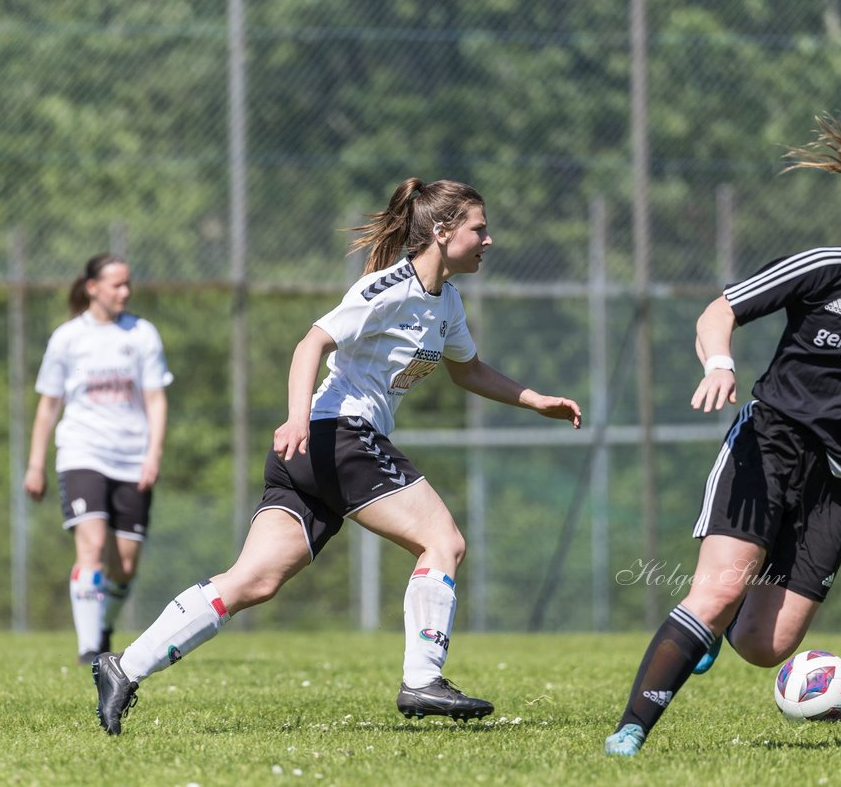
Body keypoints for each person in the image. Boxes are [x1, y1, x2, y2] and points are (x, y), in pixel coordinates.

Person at [92, 177, 583, 735]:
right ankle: (422, 678)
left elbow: (466, 369)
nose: (489, 239)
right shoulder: (388, 287)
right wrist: (298, 416)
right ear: (444, 233)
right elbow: (312, 343)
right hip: (336, 435)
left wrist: (533, 399)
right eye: (480, 228)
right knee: (443, 542)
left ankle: (122, 667)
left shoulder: (445, 300)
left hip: (317, 451)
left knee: (252, 580)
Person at [605, 116, 841, 756]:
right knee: (715, 591)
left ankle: (712, 627)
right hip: (767, 445)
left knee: (763, 646)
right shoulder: (825, 267)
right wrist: (720, 363)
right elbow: (720, 311)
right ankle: (631, 730)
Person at [25, 254, 172, 665]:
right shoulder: (68, 338)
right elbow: (47, 407)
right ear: (92, 287)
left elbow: (156, 399)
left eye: (128, 285)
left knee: (124, 565)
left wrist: (153, 454)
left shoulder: (142, 334)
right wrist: (36, 463)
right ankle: (90, 649)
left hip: (131, 458)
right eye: (116, 285)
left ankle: (103, 623)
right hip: (82, 452)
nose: (124, 292)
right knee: (90, 546)